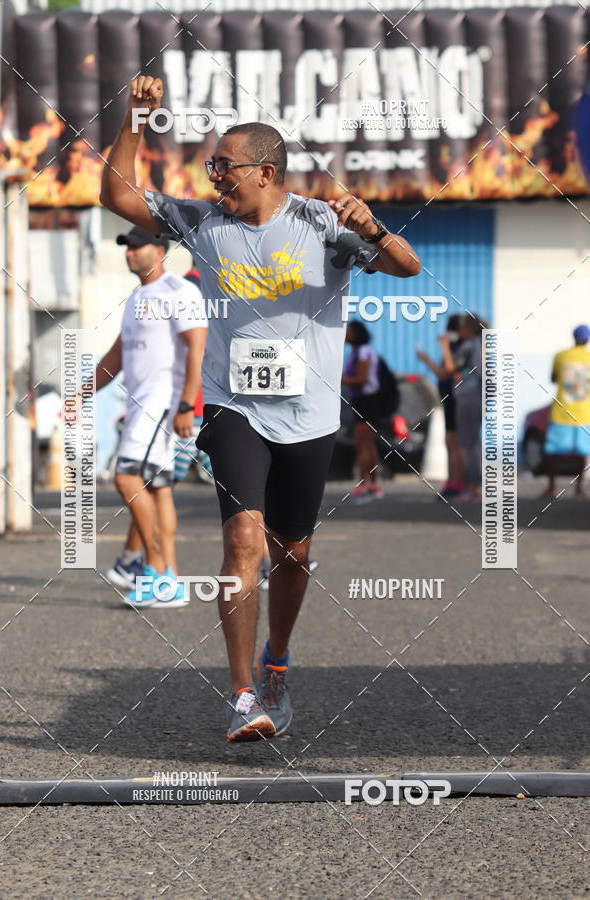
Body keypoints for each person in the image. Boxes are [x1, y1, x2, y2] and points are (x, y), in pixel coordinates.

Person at [100, 74, 420, 742]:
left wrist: (373, 226)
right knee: (243, 538)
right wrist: (135, 118)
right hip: (230, 405)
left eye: (225, 165)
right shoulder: (203, 222)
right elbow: (116, 193)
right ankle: (243, 694)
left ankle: (278, 660)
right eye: (211, 164)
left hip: (307, 415)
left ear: (266, 171)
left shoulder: (320, 224)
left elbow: (407, 267)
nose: (213, 175)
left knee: (292, 555)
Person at [95, 226, 207, 607]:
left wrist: (186, 404)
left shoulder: (179, 291)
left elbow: (197, 348)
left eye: (137, 247)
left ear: (159, 250)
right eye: (126, 247)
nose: (130, 253)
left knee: (127, 478)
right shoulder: (137, 297)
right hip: (141, 404)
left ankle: (155, 570)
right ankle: (167, 582)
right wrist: (80, 391)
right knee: (157, 489)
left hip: (163, 404)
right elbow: (117, 355)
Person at [417, 314, 466, 498]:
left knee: (456, 443)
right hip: (449, 398)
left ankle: (459, 483)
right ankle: (453, 481)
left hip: (457, 399)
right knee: (450, 442)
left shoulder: (460, 348)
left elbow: (448, 372)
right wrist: (426, 359)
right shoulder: (453, 347)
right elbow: (442, 373)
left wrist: (444, 348)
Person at [542, 324, 590, 498]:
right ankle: (578, 489)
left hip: (562, 412)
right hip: (585, 413)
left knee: (552, 451)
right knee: (582, 453)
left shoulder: (561, 356)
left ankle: (551, 488)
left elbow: (553, 378)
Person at [440, 315, 483, 501]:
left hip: (468, 398)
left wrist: (444, 346)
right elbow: (471, 369)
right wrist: (462, 373)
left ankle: (473, 488)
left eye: (462, 328)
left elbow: (450, 369)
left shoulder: (469, 345)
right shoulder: (482, 345)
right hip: (477, 397)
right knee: (472, 443)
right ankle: (474, 487)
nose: (459, 332)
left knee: (468, 444)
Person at [341, 320, 384, 502]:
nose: (345, 334)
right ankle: (372, 483)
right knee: (367, 443)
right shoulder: (355, 352)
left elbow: (361, 378)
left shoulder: (364, 352)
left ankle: (364, 482)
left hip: (367, 401)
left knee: (362, 442)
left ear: (356, 334)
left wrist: (338, 378)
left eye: (348, 331)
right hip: (360, 401)